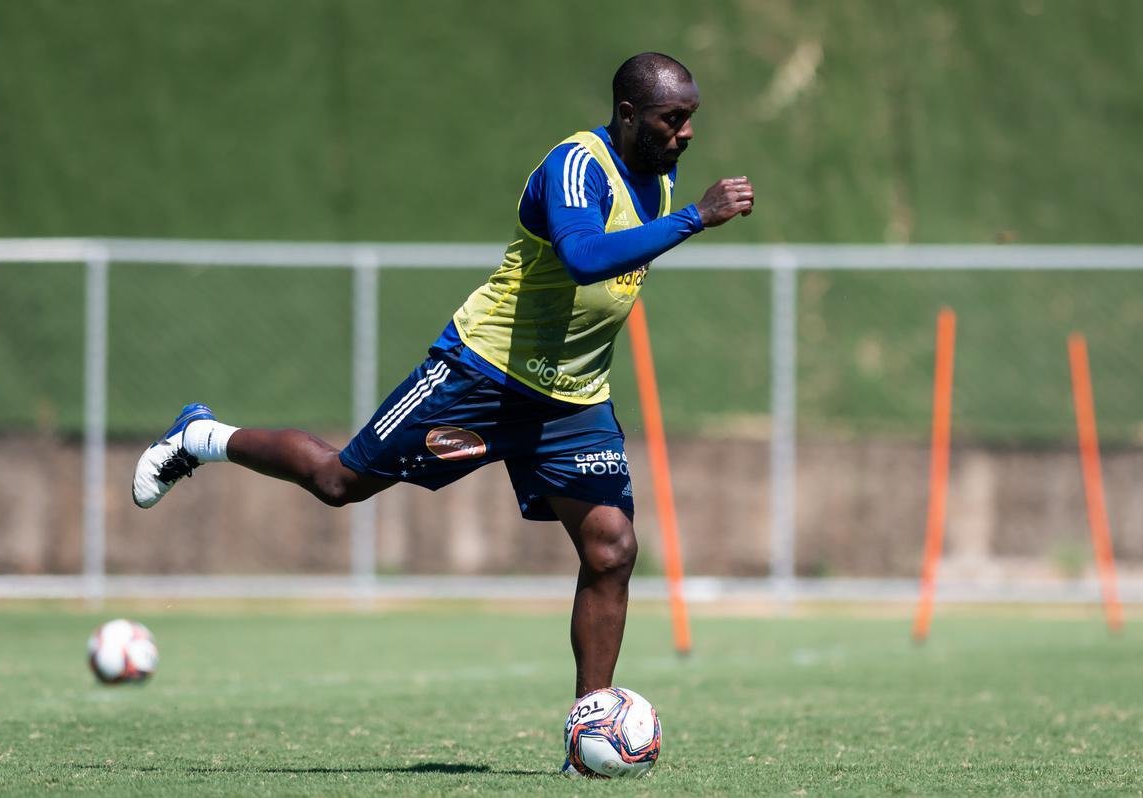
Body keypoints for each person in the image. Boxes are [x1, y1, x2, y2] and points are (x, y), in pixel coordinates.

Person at [131, 51, 753, 771]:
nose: (686, 135)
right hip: (483, 374)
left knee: (612, 549)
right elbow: (583, 257)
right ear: (627, 115)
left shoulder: (659, 173)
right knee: (340, 483)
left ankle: (588, 737)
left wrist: (680, 211)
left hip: (574, 398)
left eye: (691, 121)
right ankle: (203, 436)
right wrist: (695, 219)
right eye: (673, 120)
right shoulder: (575, 167)